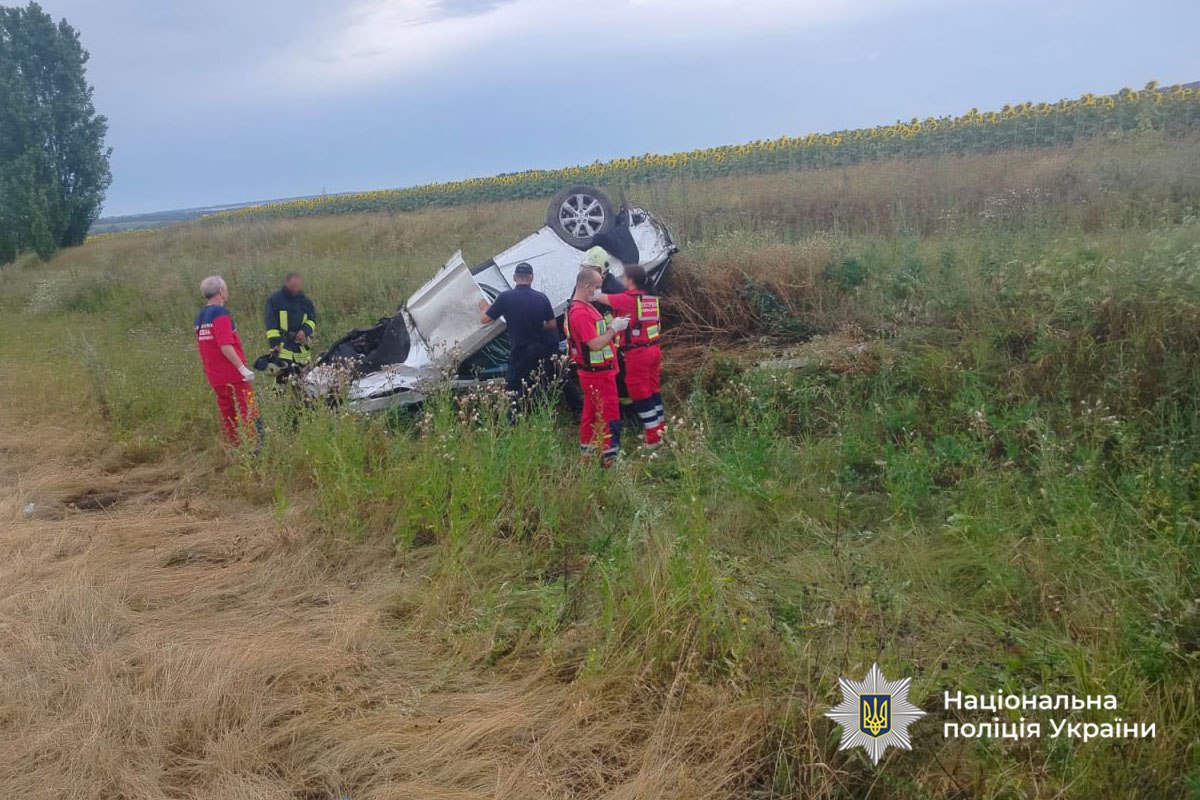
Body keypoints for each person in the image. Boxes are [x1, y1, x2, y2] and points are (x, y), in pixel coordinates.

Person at [597, 263, 665, 448]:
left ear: (630, 280)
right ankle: (660, 428)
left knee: (639, 391)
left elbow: (601, 298)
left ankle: (654, 436)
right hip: (654, 349)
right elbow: (657, 325)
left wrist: (591, 286)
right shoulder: (650, 298)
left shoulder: (628, 299)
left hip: (638, 352)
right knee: (653, 389)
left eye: (625, 276)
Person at [565, 268, 629, 464]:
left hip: (597, 371)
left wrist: (612, 324)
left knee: (591, 412)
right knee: (609, 413)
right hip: (598, 374)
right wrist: (613, 329)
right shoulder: (580, 313)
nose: (600, 291)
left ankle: (588, 454)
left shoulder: (585, 307)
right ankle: (610, 458)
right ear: (587, 287)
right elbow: (594, 344)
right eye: (598, 287)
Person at [478, 262, 558, 415]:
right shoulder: (541, 298)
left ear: (515, 278)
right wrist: (538, 325)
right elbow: (552, 324)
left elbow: (485, 319)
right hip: (539, 351)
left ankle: (514, 419)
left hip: (519, 351)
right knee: (538, 384)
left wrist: (484, 307)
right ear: (531, 278)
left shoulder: (505, 298)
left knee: (513, 388)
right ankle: (538, 414)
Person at [194, 276, 260, 446]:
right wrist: (242, 368)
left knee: (228, 414)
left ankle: (233, 446)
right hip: (233, 375)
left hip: (215, 376)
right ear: (221, 291)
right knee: (248, 410)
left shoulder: (200, 317)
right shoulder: (220, 313)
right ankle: (254, 447)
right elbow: (224, 344)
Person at [263, 272, 317, 378]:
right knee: (283, 380)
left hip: (301, 348)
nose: (295, 289)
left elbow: (312, 320)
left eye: (297, 286)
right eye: (293, 286)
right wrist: (274, 344)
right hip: (283, 346)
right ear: (286, 283)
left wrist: (304, 331)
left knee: (304, 380)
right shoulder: (275, 300)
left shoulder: (306, 301)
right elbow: (271, 324)